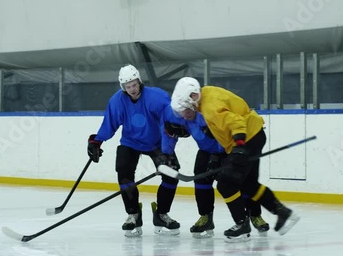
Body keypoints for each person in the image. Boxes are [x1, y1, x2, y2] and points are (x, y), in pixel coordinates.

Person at [170, 77, 300, 242]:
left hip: (247, 139)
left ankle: (242, 225)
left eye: (184, 109)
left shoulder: (210, 108)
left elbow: (236, 122)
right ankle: (283, 213)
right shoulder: (207, 92)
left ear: (192, 98)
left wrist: (239, 146)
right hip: (254, 135)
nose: (183, 114)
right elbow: (227, 115)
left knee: (226, 184)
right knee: (249, 184)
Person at [86, 64, 181, 237]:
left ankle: (161, 214)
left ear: (139, 82)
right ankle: (133, 214)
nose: (132, 89)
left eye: (134, 85)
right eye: (128, 86)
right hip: (131, 142)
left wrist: (167, 150)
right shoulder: (117, 101)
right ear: (123, 87)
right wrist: (97, 140)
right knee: (123, 172)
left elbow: (169, 125)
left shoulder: (157, 97)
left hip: (157, 143)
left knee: (172, 174)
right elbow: (110, 123)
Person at [161, 104, 270, 238]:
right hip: (206, 150)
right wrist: (167, 155)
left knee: (244, 182)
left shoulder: (206, 114)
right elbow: (168, 135)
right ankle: (205, 217)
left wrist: (216, 157)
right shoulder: (174, 117)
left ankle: (254, 215)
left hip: (230, 148)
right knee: (201, 179)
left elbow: (223, 132)